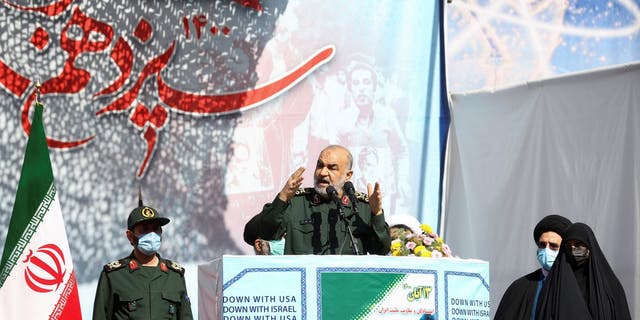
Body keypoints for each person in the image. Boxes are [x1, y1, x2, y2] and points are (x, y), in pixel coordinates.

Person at [245, 145, 390, 255]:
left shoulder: (362, 207)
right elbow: (254, 234)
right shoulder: (296, 203)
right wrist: (282, 198)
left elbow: (381, 249)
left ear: (348, 175)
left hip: (348, 288)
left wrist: (376, 213)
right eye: (320, 165)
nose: (322, 173)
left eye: (332, 168)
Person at [93, 198, 193, 320]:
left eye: (156, 229)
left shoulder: (175, 276)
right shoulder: (114, 275)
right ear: (130, 236)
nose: (152, 235)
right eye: (144, 229)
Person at [535, 222, 631, 320]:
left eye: (578, 245)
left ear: (589, 247)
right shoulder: (553, 286)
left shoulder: (610, 287)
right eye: (569, 246)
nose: (573, 250)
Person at [494, 214, 572, 320]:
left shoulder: (577, 287)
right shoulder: (520, 287)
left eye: (553, 246)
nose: (546, 250)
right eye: (542, 245)